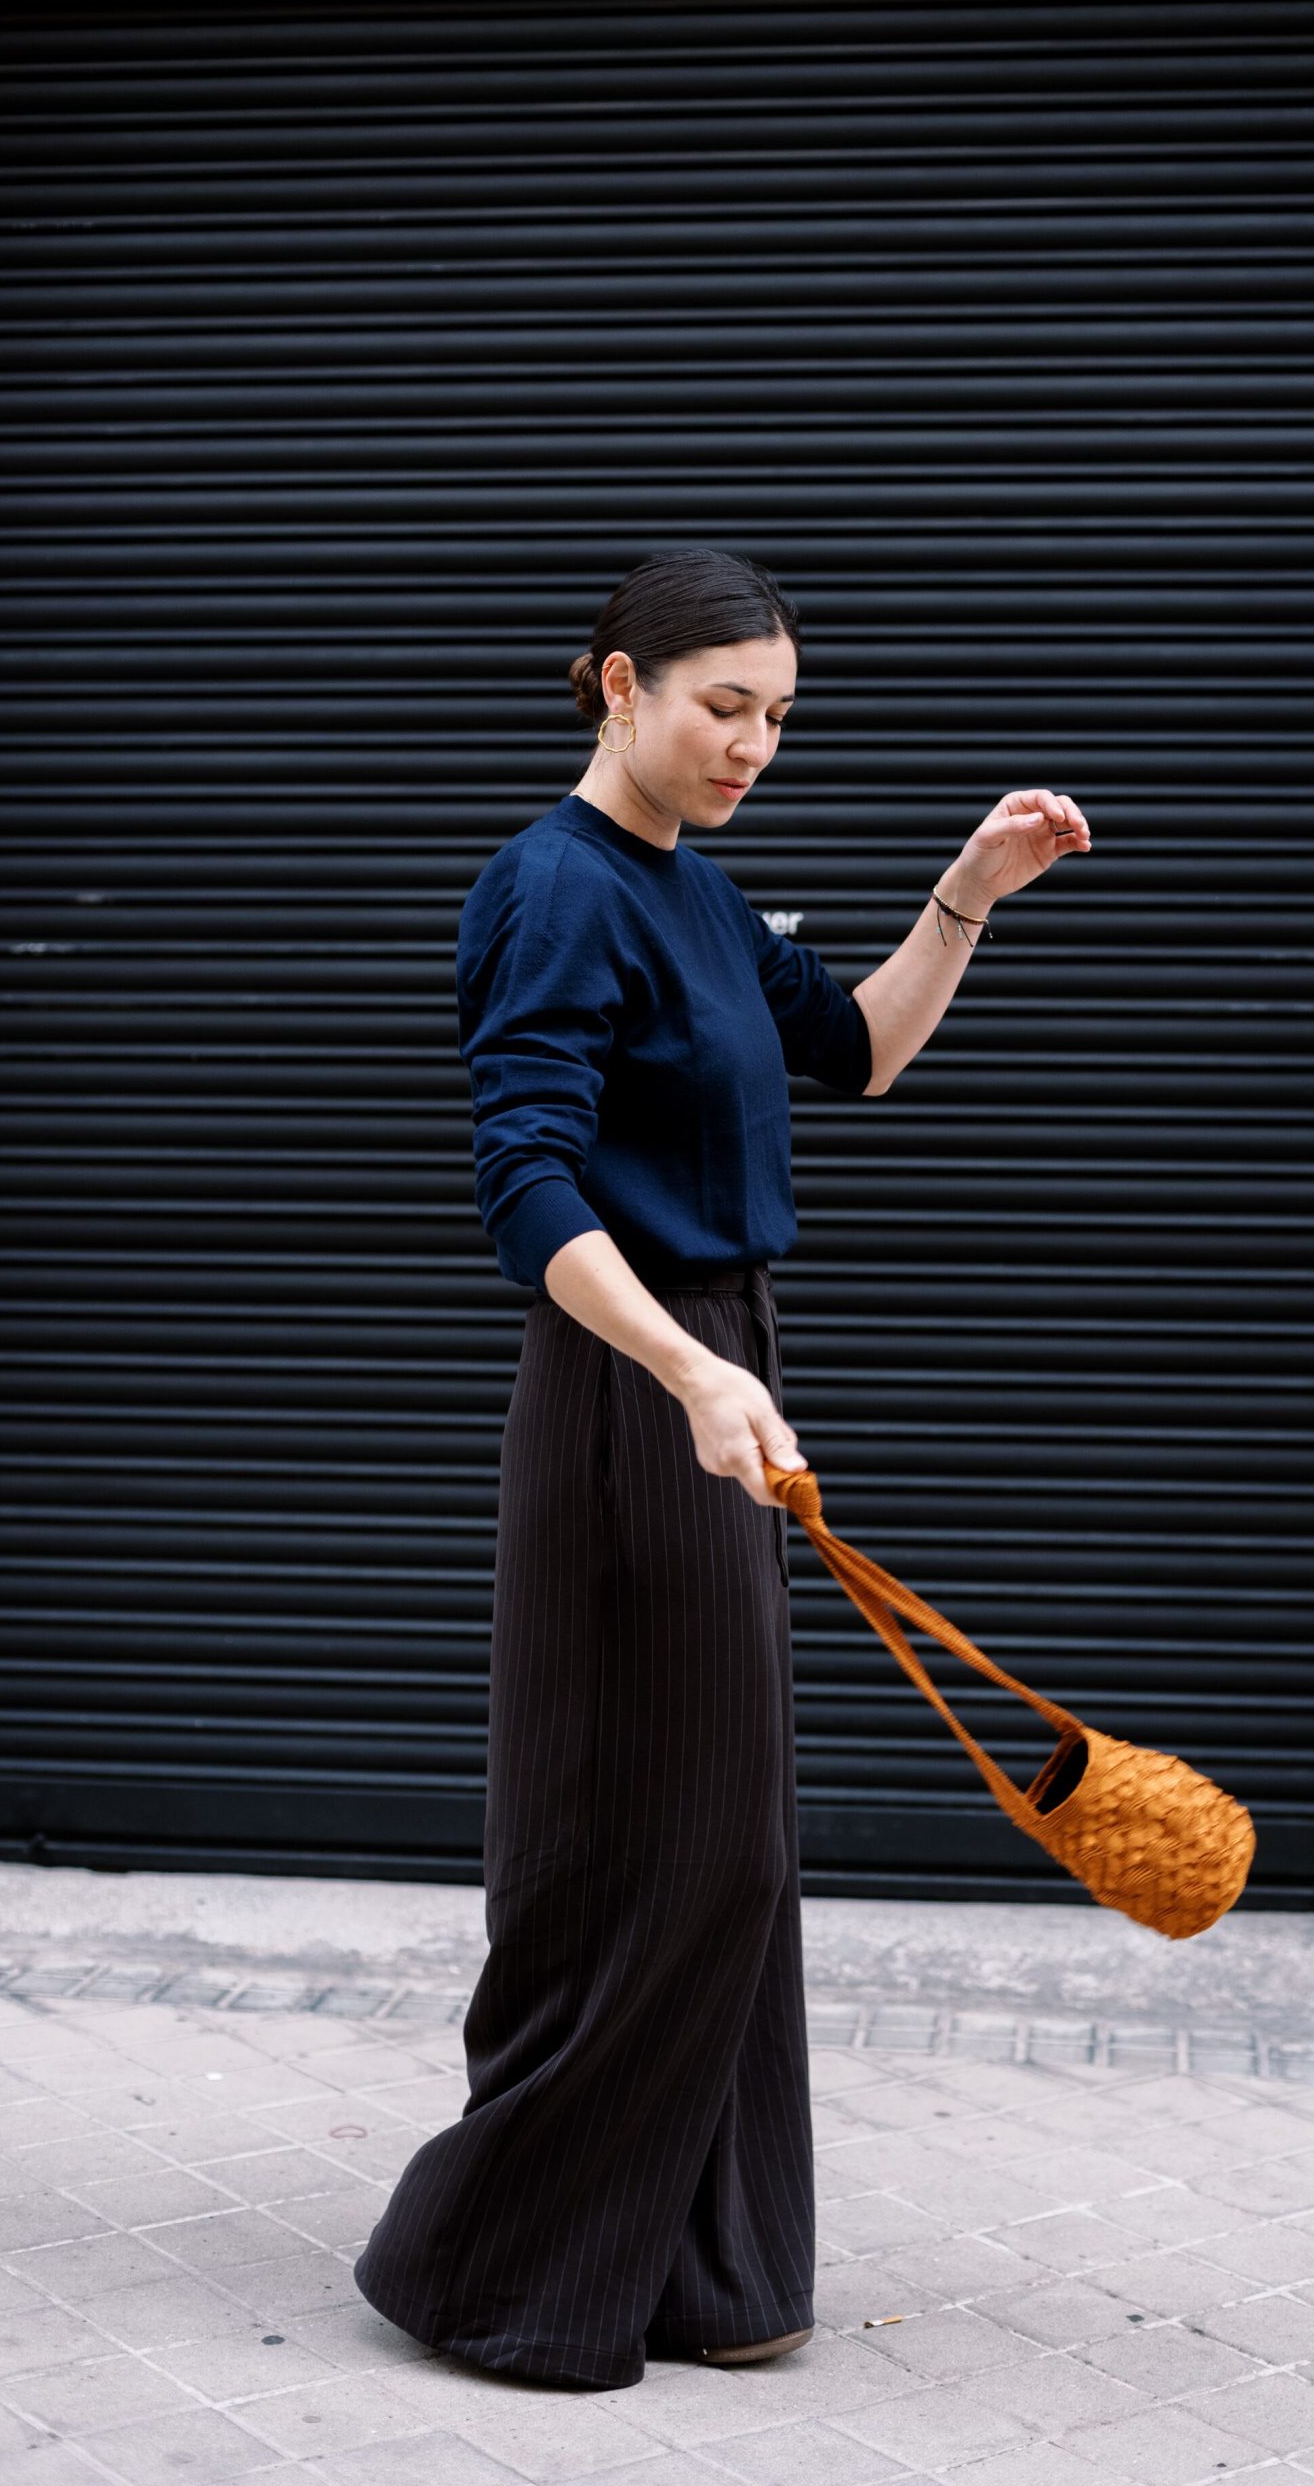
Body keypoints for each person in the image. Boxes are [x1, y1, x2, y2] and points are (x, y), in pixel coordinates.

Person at [352, 549, 1091, 2390]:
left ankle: (701, 2270)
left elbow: (857, 1054)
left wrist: (968, 897)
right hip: (632, 1383)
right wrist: (684, 1370)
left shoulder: (709, 896)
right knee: (681, 1845)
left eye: (778, 718)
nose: (754, 745)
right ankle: (503, 2263)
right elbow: (525, 1183)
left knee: (706, 1841)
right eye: (721, 708)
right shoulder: (553, 889)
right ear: (618, 686)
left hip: (716, 1370)